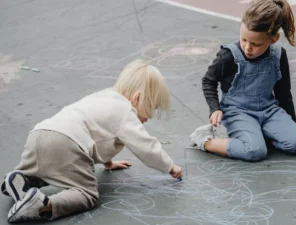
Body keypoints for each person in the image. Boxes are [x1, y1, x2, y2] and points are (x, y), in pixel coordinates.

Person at [1, 59, 183, 222]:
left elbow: (98, 131)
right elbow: (146, 147)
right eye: (150, 109)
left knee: (50, 169)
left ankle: (21, 179)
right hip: (68, 143)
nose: (148, 117)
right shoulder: (126, 110)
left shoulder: (103, 96)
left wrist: (108, 162)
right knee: (87, 194)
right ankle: (42, 206)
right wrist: (169, 166)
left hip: (40, 133)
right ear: (137, 98)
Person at [192, 0, 296, 161]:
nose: (247, 47)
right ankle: (206, 141)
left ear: (273, 39)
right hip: (238, 112)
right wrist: (215, 109)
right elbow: (208, 80)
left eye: (255, 44)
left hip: (268, 110)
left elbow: (283, 93)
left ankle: (258, 135)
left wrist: (292, 123)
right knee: (254, 151)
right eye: (244, 39)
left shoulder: (278, 55)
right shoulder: (229, 55)